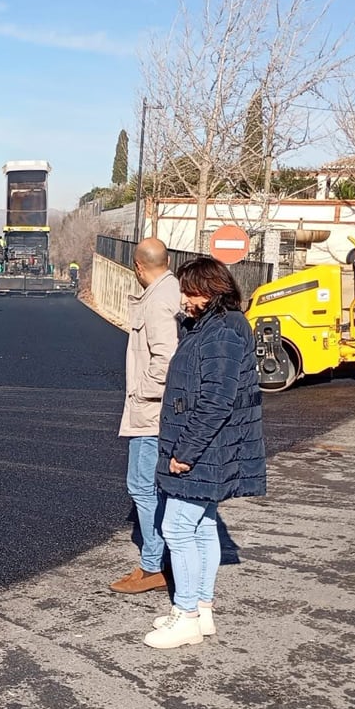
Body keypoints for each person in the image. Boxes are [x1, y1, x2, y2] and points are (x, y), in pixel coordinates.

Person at [145, 256, 265, 649]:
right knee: (202, 526)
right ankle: (201, 609)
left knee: (177, 528)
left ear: (210, 290)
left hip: (206, 449)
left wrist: (186, 452)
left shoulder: (224, 333)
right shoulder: (214, 326)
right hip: (211, 448)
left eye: (189, 291)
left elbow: (216, 399)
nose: (184, 299)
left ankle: (187, 616)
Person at [110, 238, 181, 594]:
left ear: (138, 267)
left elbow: (165, 359)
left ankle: (154, 565)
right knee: (151, 486)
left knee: (142, 485)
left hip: (152, 412)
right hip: (156, 410)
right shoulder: (170, 291)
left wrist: (142, 392)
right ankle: (158, 560)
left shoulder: (157, 302)